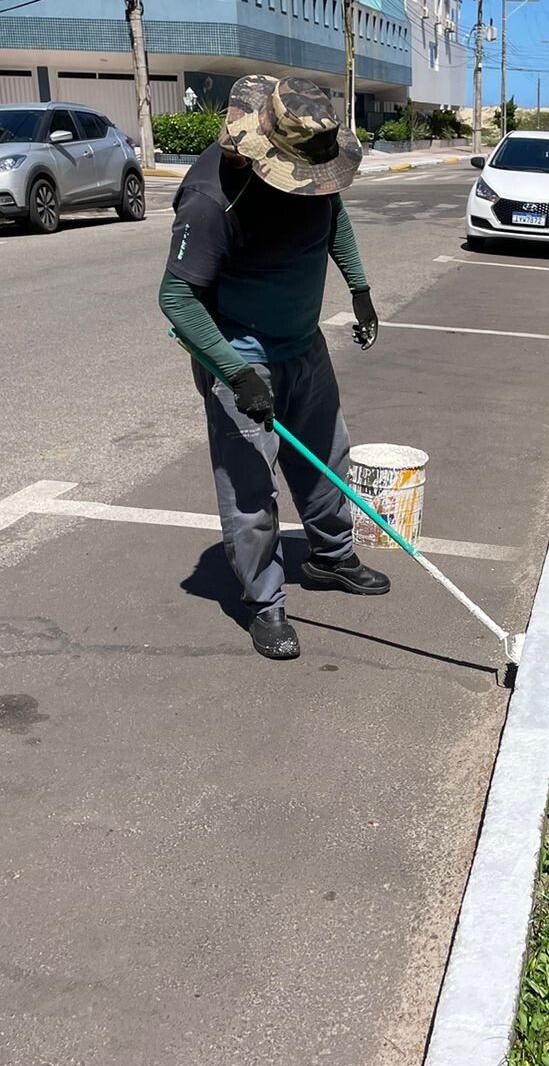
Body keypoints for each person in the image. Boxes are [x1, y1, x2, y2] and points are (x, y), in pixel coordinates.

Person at [157, 75, 388, 661]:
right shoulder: (213, 196)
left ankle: (331, 558)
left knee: (327, 455)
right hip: (241, 351)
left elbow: (332, 216)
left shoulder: (311, 166)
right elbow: (177, 301)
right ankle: (265, 603)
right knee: (250, 489)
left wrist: (358, 286)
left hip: (303, 341)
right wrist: (235, 372)